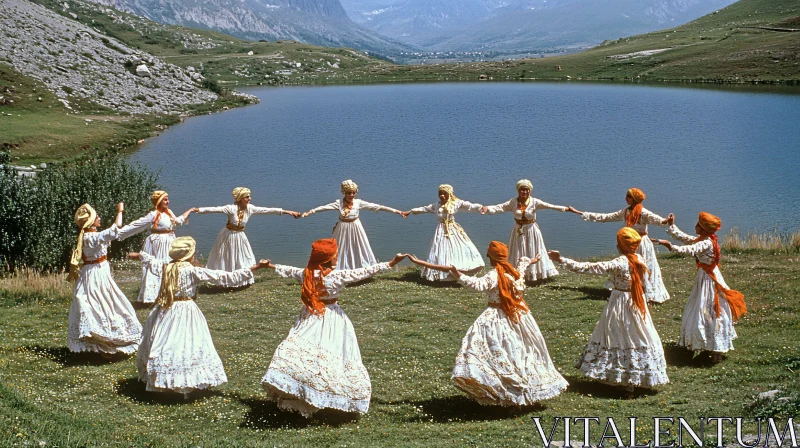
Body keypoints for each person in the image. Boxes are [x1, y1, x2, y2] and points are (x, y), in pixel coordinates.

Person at [260, 238, 408, 417]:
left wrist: (271, 266)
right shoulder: (337, 276)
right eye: (335, 255)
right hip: (332, 318)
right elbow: (366, 271)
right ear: (328, 259)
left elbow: (289, 271)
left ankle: (308, 391)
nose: (337, 257)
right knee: (330, 354)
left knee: (308, 352)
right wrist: (392, 263)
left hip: (310, 315)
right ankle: (317, 392)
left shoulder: (306, 273)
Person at [409, 242, 568, 406]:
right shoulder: (513, 272)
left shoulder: (494, 275)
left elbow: (476, 285)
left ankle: (507, 389)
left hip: (497, 317)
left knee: (488, 347)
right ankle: (522, 387)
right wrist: (533, 259)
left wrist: (457, 274)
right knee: (521, 351)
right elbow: (524, 263)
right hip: (520, 317)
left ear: (491, 258)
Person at [129, 237, 270, 397]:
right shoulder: (192, 270)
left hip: (165, 309)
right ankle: (181, 380)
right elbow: (225, 277)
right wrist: (257, 267)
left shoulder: (165, 267)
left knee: (165, 340)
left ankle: (164, 379)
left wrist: (139, 255)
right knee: (186, 341)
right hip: (186, 310)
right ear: (188, 255)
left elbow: (150, 261)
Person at [548, 227, 668, 396]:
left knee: (618, 336)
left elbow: (589, 267)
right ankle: (634, 377)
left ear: (621, 245)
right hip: (636, 301)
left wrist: (560, 259)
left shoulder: (619, 262)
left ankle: (624, 379)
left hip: (620, 302)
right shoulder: (639, 258)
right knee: (637, 334)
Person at [653, 212, 747, 363]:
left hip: (708, 279)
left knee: (707, 309)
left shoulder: (705, 243)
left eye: (698, 224)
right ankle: (711, 346)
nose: (695, 226)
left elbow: (689, 249)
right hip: (707, 275)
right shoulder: (705, 239)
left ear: (703, 229)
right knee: (709, 309)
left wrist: (670, 246)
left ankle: (712, 346)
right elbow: (684, 238)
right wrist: (671, 225)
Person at [570, 188, 673, 303]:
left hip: (641, 243)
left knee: (644, 267)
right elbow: (607, 217)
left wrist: (667, 220)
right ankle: (631, 288)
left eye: (628, 197)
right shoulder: (625, 212)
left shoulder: (643, 212)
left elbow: (658, 220)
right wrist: (580, 213)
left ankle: (648, 292)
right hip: (628, 242)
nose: (625, 199)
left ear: (634, 199)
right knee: (629, 267)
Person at [67, 203, 141, 356]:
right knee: (105, 302)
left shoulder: (89, 236)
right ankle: (106, 339)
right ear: (90, 221)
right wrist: (120, 210)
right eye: (96, 217)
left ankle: (100, 340)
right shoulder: (91, 237)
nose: (99, 218)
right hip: (95, 274)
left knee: (99, 302)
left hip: (94, 272)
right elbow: (117, 228)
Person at [194, 187, 300, 286]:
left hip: (240, 236)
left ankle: (242, 280)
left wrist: (288, 212)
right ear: (240, 198)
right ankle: (225, 281)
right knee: (227, 257)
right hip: (228, 235)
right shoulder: (231, 208)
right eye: (247, 197)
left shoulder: (250, 208)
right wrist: (198, 210)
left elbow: (268, 210)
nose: (250, 199)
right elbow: (215, 209)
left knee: (242, 257)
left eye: (249, 196)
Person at [481, 179, 576, 282]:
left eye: (527, 190)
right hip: (518, 230)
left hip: (532, 230)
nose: (524, 192)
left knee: (533, 249)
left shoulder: (534, 202)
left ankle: (534, 274)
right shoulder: (513, 202)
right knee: (517, 250)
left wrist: (566, 209)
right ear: (518, 190)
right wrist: (487, 208)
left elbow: (550, 206)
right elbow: (500, 207)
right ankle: (517, 272)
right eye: (522, 189)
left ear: (530, 191)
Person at [301, 179, 403, 270]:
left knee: (358, 246)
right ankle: (338, 267)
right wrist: (310, 212)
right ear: (344, 193)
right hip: (342, 229)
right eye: (349, 193)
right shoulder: (338, 203)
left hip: (356, 227)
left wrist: (397, 211)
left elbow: (377, 207)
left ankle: (361, 268)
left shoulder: (358, 203)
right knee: (340, 247)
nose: (351, 195)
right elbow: (323, 208)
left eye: (353, 193)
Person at [118, 191, 195, 305]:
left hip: (169, 241)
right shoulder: (153, 215)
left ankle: (169, 292)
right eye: (165, 200)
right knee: (156, 267)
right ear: (159, 202)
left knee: (169, 266)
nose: (168, 202)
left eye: (168, 199)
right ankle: (154, 295)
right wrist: (118, 234)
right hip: (157, 244)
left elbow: (178, 221)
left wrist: (190, 210)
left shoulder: (169, 213)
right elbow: (136, 225)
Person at [400, 184, 484, 281]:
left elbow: (470, 206)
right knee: (441, 250)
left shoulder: (456, 203)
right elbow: (424, 208)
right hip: (441, 230)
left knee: (459, 248)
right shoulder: (436, 205)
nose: (442, 196)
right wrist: (410, 211)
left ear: (450, 194)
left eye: (444, 194)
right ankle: (443, 275)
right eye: (440, 193)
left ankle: (460, 271)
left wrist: (481, 208)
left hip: (453, 229)